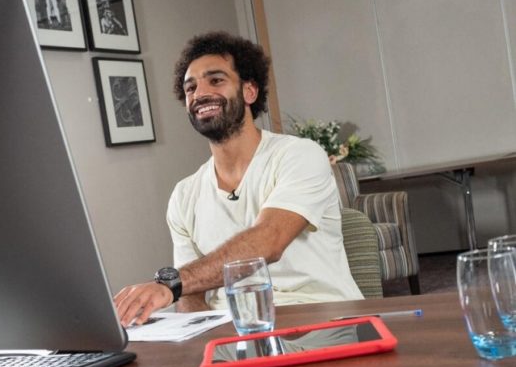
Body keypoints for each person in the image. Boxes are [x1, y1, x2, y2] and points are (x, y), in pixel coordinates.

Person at [114, 31, 363, 326]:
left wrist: (171, 284)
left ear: (249, 91)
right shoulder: (184, 195)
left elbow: (268, 241)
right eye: (190, 87)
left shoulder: (300, 156)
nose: (200, 93)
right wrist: (201, 340)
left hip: (321, 320)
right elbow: (192, 296)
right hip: (233, 332)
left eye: (216, 80)